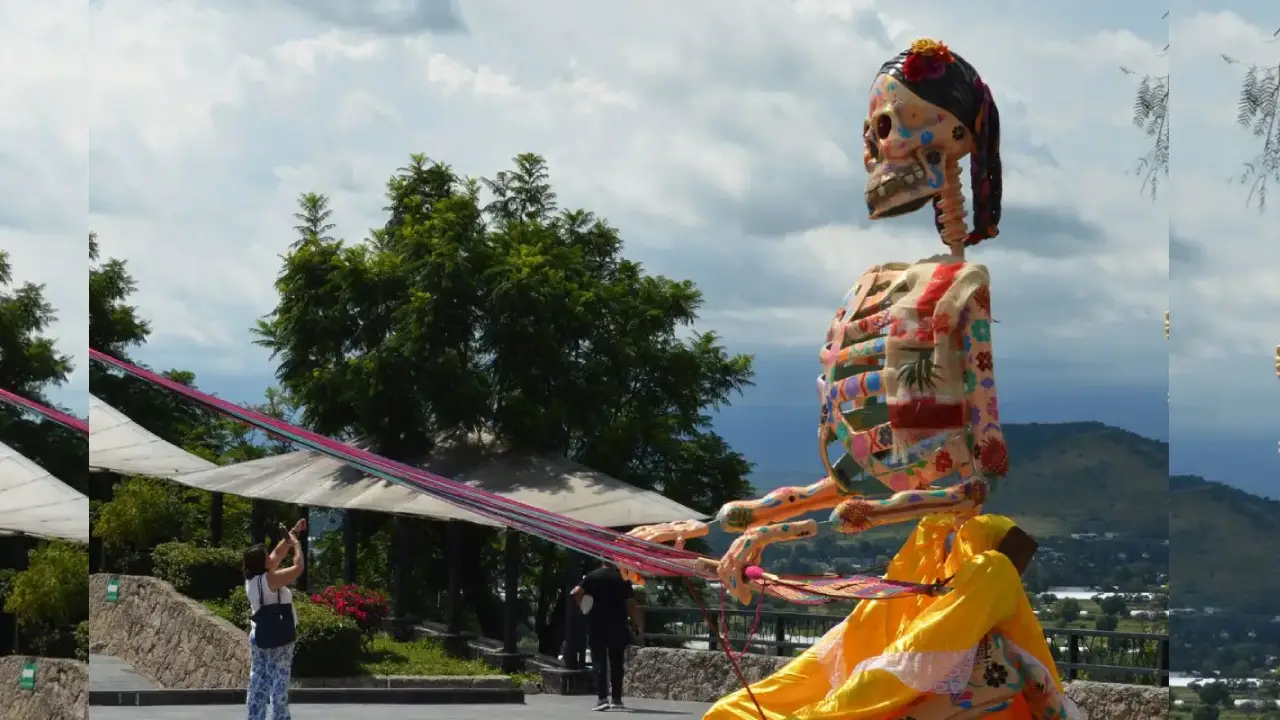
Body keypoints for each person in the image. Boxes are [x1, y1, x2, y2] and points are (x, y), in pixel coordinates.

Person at [242, 518, 306, 720]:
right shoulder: (270, 580)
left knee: (258, 681)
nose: (270, 556)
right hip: (279, 636)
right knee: (279, 680)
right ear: (262, 563)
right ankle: (279, 717)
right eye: (266, 556)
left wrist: (292, 533)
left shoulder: (252, 579)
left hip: (259, 636)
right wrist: (296, 545)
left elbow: (277, 554)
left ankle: (255, 716)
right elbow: (298, 568)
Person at [571, 560, 642, 711]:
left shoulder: (592, 576)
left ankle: (602, 698)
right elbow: (631, 603)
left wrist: (584, 607)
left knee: (598, 661)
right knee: (617, 661)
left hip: (597, 625)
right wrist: (636, 624)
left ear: (602, 560)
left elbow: (576, 592)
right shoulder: (623, 578)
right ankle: (616, 699)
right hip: (618, 624)